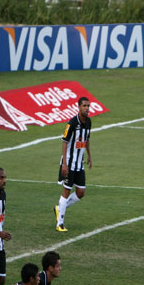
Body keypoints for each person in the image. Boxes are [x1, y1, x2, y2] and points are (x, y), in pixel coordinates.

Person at [54, 97, 92, 232]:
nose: (87, 108)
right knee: (66, 190)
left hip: (79, 164)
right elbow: (64, 142)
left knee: (81, 192)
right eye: (84, 106)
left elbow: (86, 139)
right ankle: (60, 224)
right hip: (69, 164)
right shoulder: (72, 123)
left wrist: (89, 155)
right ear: (79, 107)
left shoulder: (88, 122)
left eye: (88, 106)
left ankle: (59, 208)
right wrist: (64, 164)